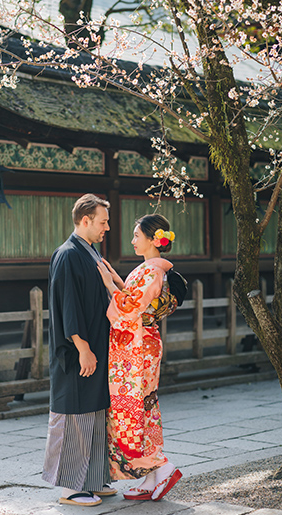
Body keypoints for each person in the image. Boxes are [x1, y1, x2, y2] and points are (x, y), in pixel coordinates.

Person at [97, 213, 184, 502]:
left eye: (137, 236)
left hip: (137, 348)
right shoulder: (150, 270)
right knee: (143, 407)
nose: (133, 241)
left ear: (151, 239)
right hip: (141, 342)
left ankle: (161, 465)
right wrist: (117, 278)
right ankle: (149, 478)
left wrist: (109, 284)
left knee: (133, 408)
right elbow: (135, 298)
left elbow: (131, 308)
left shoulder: (151, 271)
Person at [42, 194, 117, 507]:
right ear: (85, 221)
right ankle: (70, 488)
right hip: (77, 353)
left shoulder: (90, 252)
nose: (107, 228)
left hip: (96, 346)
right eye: (103, 222)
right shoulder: (68, 254)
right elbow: (68, 306)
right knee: (74, 414)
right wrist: (83, 348)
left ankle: (94, 479)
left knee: (95, 410)